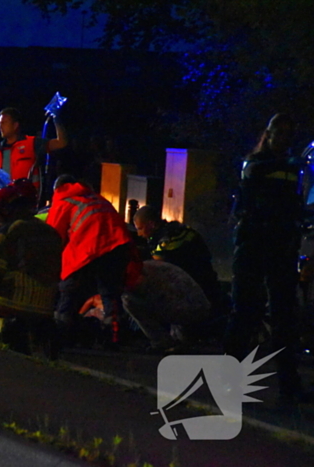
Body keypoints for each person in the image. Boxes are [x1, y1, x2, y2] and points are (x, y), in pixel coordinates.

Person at [224, 113, 307, 403]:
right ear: (268, 134)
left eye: (288, 134)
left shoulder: (291, 167)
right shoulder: (257, 164)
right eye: (279, 133)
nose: (283, 139)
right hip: (254, 245)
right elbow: (252, 190)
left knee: (284, 316)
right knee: (245, 312)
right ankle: (230, 383)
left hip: (281, 247)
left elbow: (295, 205)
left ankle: (289, 385)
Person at [0, 179, 63, 358]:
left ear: (7, 211)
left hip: (11, 304)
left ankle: (4, 329)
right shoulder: (52, 233)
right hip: (46, 308)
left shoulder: (7, 233)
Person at [46, 175, 134, 346]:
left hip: (88, 249)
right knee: (110, 294)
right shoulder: (98, 199)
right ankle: (115, 338)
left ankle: (61, 337)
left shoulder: (64, 201)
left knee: (68, 292)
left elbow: (53, 237)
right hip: (118, 247)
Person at [133, 205, 229, 320]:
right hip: (206, 287)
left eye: (140, 228)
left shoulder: (168, 240)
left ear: (151, 224)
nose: (139, 234)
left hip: (196, 294)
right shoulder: (178, 231)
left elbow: (157, 268)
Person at [123, 260, 212, 352]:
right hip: (192, 305)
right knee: (130, 299)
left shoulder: (136, 272)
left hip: (192, 307)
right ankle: (178, 339)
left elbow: (137, 284)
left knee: (129, 301)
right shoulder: (140, 266)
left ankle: (164, 342)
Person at [0, 107, 67, 190]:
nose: (0, 127)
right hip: (0, 196)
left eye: (4, 123)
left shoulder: (32, 143)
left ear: (15, 125)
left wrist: (56, 119)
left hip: (28, 196)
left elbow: (61, 143)